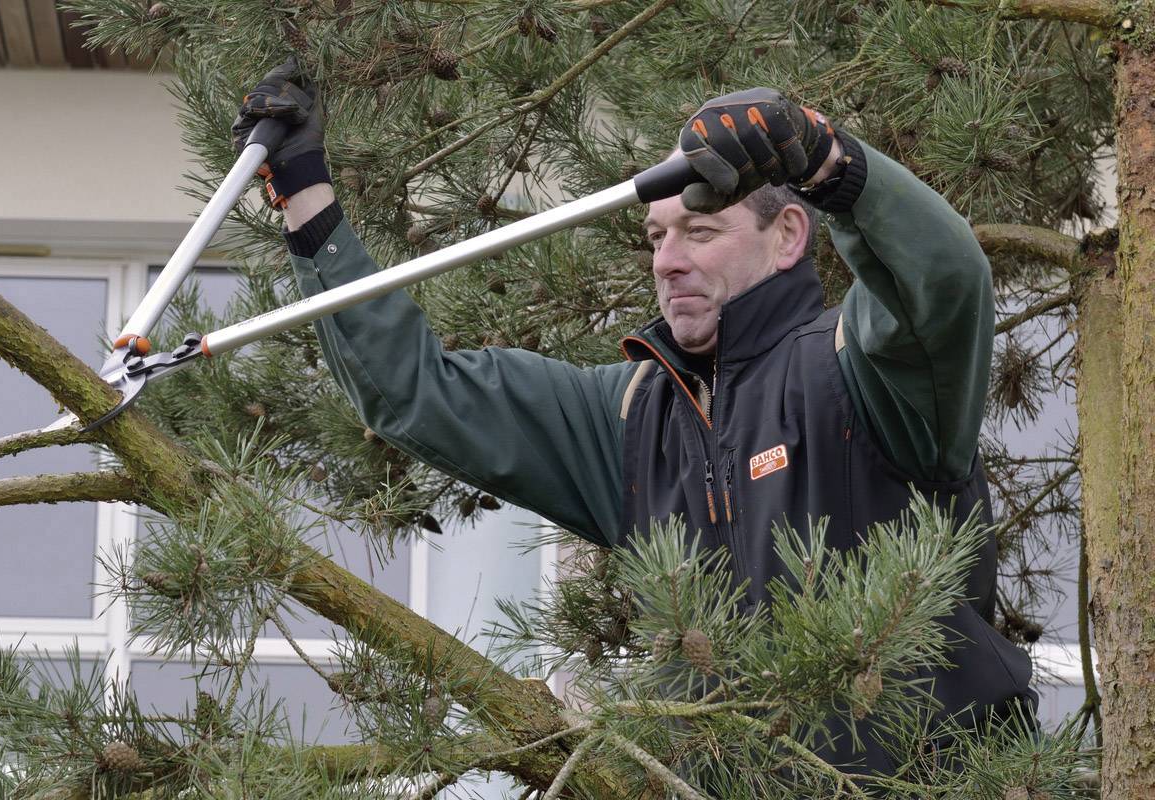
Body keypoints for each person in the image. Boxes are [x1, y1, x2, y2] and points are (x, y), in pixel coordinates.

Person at [232, 63, 1037, 772]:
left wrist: (826, 157)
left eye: (700, 230)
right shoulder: (628, 416)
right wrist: (306, 195)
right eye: (657, 236)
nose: (668, 259)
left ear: (789, 233)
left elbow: (946, 278)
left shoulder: (860, 364)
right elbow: (417, 392)